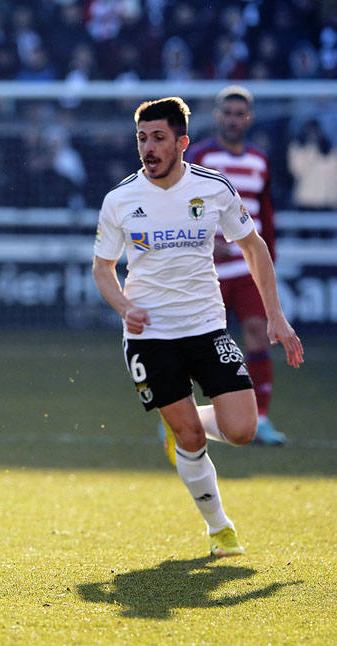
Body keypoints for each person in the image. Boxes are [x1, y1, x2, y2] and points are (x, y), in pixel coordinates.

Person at [92, 97, 303, 558]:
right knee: (190, 437)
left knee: (243, 430)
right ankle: (219, 529)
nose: (148, 148)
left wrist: (275, 316)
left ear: (182, 142)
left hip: (206, 328)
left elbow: (254, 247)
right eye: (142, 138)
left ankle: (178, 423)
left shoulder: (213, 189)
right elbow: (103, 268)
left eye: (159, 138)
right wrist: (124, 306)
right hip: (150, 337)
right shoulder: (121, 199)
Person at [185, 86, 286, 445]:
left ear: (249, 118)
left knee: (259, 331)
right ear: (217, 116)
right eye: (227, 112)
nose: (233, 119)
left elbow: (266, 215)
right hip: (207, 269)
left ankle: (260, 419)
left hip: (247, 270)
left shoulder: (259, 161)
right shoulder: (200, 157)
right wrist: (207, 242)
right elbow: (183, 208)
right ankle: (185, 418)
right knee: (201, 344)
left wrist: (268, 259)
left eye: (239, 113)